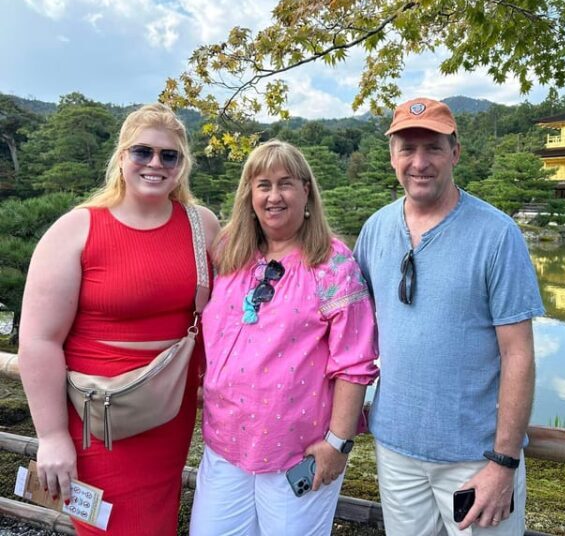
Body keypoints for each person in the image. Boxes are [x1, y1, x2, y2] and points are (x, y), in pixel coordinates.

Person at [18, 103, 220, 535]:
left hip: (169, 412)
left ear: (183, 164)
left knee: (158, 519)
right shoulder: (76, 230)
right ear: (122, 156)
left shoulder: (202, 225)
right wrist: (52, 435)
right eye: (142, 151)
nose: (155, 163)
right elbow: (38, 341)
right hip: (98, 421)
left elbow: (231, 308)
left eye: (170, 156)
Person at [354, 97, 544, 535]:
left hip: (476, 457)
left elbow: (519, 356)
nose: (419, 162)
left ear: (455, 152)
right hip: (396, 449)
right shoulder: (376, 229)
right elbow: (353, 330)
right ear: (392, 157)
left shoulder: (497, 235)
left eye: (433, 148)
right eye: (407, 148)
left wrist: (503, 462)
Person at [190, 140, 379, 536]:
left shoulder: (333, 264)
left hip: (298, 450)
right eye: (263, 185)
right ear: (249, 195)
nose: (274, 196)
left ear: (306, 191)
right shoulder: (228, 252)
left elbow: (355, 364)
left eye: (286, 183)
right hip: (225, 445)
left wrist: (337, 444)